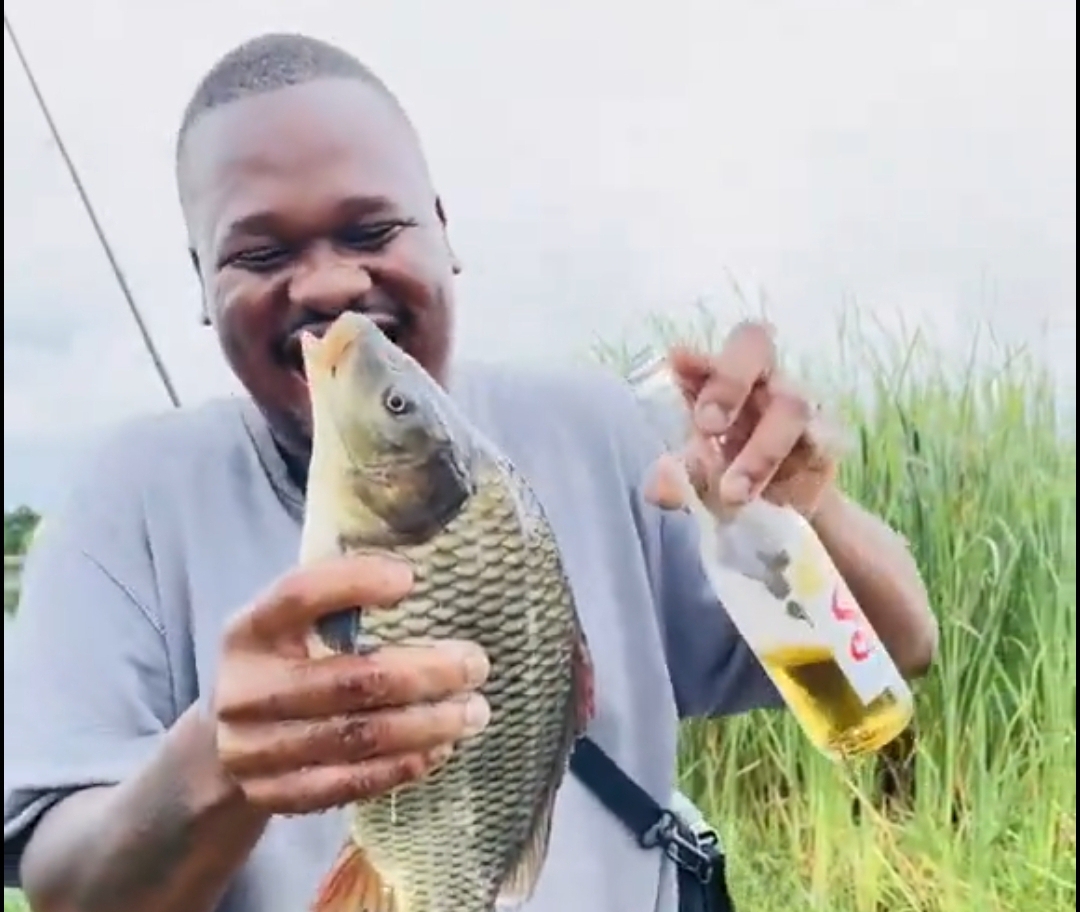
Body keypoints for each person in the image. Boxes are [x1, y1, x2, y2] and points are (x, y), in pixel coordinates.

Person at [3, 32, 938, 912]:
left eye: (370, 230)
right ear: (204, 286)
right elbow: (66, 883)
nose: (328, 287)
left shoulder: (608, 432)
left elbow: (893, 656)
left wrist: (802, 513)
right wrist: (218, 762)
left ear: (444, 233)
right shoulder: (126, 502)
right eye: (260, 252)